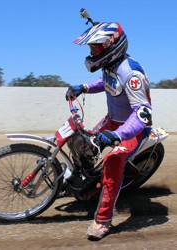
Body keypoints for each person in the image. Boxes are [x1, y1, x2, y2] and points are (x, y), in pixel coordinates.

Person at [66, 21, 152, 240]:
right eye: (91, 48)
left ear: (111, 46)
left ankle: (103, 220)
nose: (92, 52)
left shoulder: (132, 72)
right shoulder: (111, 65)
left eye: (95, 48)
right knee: (81, 143)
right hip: (111, 120)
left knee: (113, 162)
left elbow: (143, 113)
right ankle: (92, 183)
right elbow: (105, 82)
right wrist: (84, 87)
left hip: (131, 129)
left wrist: (118, 135)